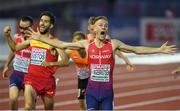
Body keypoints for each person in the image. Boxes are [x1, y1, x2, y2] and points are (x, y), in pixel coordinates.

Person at [6, 16, 176, 110]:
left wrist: (158, 50)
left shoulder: (114, 43)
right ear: (94, 29)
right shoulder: (87, 44)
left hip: (108, 93)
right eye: (100, 25)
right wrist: (41, 37)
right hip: (92, 92)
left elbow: (135, 49)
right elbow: (62, 44)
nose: (104, 27)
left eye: (106, 25)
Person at [3, 11, 68, 110]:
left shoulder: (55, 42)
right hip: (31, 79)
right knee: (28, 107)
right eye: (41, 20)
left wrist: (50, 63)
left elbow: (65, 61)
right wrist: (8, 36)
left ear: (51, 26)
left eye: (46, 21)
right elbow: (15, 48)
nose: (42, 23)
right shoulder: (33, 39)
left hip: (47, 81)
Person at [2, 16, 33, 110]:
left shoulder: (35, 41)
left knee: (30, 107)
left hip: (30, 77)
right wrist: (6, 65)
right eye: (20, 27)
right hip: (16, 74)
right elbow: (13, 51)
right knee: (13, 98)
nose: (22, 30)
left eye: (25, 28)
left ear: (31, 27)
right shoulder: (16, 37)